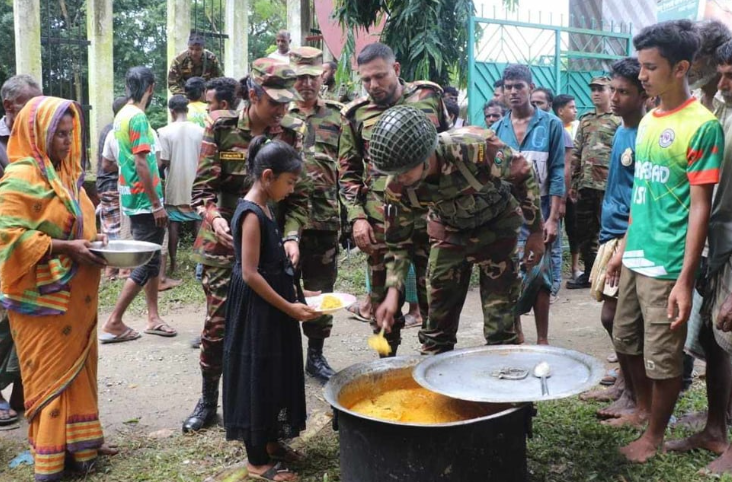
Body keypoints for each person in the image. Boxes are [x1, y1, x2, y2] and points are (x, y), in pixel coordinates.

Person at [604, 19, 723, 463]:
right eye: (640, 66)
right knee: (627, 338)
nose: (641, 76)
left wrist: (683, 280)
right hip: (635, 255)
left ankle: (653, 437)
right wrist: (621, 250)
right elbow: (642, 194)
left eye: (650, 67)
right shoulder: (651, 119)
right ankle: (640, 411)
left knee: (664, 358)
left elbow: (700, 208)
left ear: (681, 68)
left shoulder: (702, 126)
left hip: (667, 263)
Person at [183, 58, 307, 433]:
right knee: (219, 326)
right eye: (274, 103)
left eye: (287, 104)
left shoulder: (288, 133)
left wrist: (291, 236)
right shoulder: (221, 128)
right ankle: (208, 400)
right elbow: (201, 191)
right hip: (223, 246)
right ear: (252, 95)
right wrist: (216, 219)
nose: (281, 112)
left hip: (269, 245)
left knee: (268, 327)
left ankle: (263, 406)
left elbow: (297, 198)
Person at [0, 96, 117, 481]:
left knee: (80, 368)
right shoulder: (19, 177)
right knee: (48, 374)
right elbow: (6, 236)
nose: (68, 141)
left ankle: (80, 448)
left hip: (77, 296)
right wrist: (66, 247)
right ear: (37, 133)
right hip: (39, 301)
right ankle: (50, 459)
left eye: (71, 133)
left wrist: (97, 243)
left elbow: (83, 224)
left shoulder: (67, 176)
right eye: (59, 134)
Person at [373, 106, 543, 351]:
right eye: (392, 173)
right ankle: (436, 386)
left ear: (424, 156)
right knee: (436, 329)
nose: (397, 179)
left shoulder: (472, 146)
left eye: (402, 172)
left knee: (500, 328)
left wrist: (535, 232)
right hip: (449, 232)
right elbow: (398, 243)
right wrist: (392, 293)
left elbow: (522, 173)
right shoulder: (397, 186)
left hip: (497, 228)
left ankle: (501, 380)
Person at [338, 42, 452, 355]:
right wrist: (357, 217)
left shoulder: (429, 97)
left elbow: (448, 152)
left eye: (380, 76)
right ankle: (385, 369)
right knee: (382, 304)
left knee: (436, 301)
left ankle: (436, 370)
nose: (373, 85)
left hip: (431, 221)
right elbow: (347, 175)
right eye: (366, 80)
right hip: (381, 225)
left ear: (396, 69)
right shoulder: (355, 114)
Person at [223, 136, 317, 482]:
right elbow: (249, 273)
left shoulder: (266, 207)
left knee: (277, 370)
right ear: (267, 176)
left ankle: (272, 441)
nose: (291, 190)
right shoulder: (250, 214)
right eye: (289, 182)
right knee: (257, 374)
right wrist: (290, 308)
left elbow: (271, 262)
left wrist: (300, 294)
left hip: (275, 305)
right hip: (257, 310)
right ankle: (256, 459)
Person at [663, 39, 732, 474]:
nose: (723, 83)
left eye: (730, 76)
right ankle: (714, 427)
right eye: (721, 73)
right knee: (711, 335)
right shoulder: (723, 105)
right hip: (718, 240)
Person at [579, 58, 647, 419]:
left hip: (628, 234)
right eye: (614, 90)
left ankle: (636, 396)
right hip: (611, 231)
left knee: (614, 316)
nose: (615, 97)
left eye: (624, 91)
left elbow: (641, 195)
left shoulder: (645, 133)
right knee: (612, 316)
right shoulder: (622, 129)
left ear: (642, 93)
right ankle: (624, 385)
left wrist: (623, 242)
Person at [101, 67, 177, 343]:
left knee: (152, 258)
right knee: (146, 262)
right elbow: (142, 162)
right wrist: (157, 204)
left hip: (131, 198)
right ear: (151, 88)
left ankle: (153, 317)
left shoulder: (122, 115)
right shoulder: (138, 118)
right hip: (146, 201)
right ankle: (114, 321)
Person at [492, 65, 565, 344]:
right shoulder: (497, 130)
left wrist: (553, 218)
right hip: (508, 213)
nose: (513, 92)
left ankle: (543, 339)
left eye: (519, 86)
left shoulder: (550, 125)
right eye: (509, 87)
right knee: (510, 274)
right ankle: (517, 336)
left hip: (542, 209)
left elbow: (557, 171)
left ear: (530, 88)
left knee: (540, 275)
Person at [287, 47, 343, 381]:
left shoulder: (338, 116)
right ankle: (285, 354)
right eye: (300, 77)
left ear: (322, 77)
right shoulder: (280, 115)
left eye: (313, 76)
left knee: (321, 291)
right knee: (282, 288)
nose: (307, 83)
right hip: (285, 224)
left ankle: (316, 356)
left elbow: (350, 165)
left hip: (324, 220)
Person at [567, 76, 621, 289]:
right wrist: (573, 182)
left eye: (601, 89)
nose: (596, 93)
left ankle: (608, 274)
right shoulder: (586, 119)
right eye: (593, 89)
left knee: (607, 230)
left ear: (610, 91)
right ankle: (589, 272)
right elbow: (577, 152)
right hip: (586, 185)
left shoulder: (617, 120)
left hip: (608, 186)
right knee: (584, 231)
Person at [158, 95, 204, 274]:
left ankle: (174, 263)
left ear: (172, 111)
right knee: (199, 222)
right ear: (187, 109)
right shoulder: (200, 131)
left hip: (175, 185)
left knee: (174, 225)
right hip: (196, 185)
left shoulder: (164, 131)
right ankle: (200, 263)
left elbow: (164, 161)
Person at [97, 96, 128, 280]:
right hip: (113, 185)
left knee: (109, 226)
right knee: (116, 228)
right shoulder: (117, 131)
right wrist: (126, 165)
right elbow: (107, 164)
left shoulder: (106, 130)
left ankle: (111, 270)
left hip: (103, 185)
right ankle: (113, 269)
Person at [553, 94, 582, 281]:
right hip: (557, 186)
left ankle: (574, 267)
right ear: (560, 110)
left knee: (574, 228)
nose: (575, 110)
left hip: (572, 186)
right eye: (571, 107)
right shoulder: (552, 129)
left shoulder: (579, 127)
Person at [0, 75, 42, 175]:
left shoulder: (43, 136)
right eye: (30, 107)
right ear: (8, 105)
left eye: (40, 107)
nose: (37, 113)